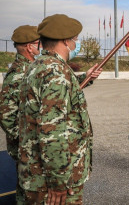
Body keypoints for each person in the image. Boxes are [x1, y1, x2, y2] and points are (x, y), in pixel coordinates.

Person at [18, 14, 103, 205]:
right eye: (75, 39)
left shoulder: (39, 66)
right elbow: (53, 131)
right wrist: (59, 182)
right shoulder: (56, 72)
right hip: (51, 182)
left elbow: (56, 98)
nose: (76, 43)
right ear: (66, 41)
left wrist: (85, 77)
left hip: (36, 173)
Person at [0, 25, 41, 203]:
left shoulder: (31, 68)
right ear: (28, 47)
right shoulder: (18, 73)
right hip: (27, 149)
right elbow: (6, 116)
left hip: (31, 147)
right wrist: (25, 141)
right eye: (38, 43)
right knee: (29, 193)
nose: (42, 46)